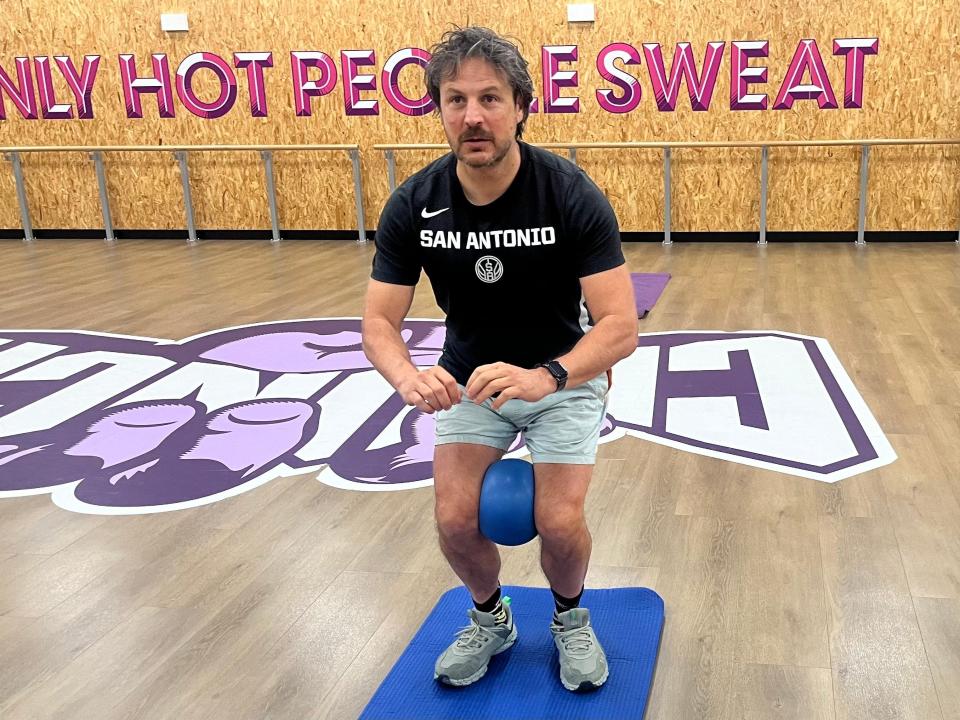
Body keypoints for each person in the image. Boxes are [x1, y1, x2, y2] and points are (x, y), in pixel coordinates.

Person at [361, 26, 638, 692]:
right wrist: (408, 376)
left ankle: (570, 618)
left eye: (490, 97)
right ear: (439, 111)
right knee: (454, 517)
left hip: (559, 375)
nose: (473, 115)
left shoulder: (569, 193)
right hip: (470, 381)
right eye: (455, 100)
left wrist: (547, 375)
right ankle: (492, 619)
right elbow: (377, 321)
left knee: (557, 518)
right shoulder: (415, 204)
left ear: (520, 105)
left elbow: (621, 326)